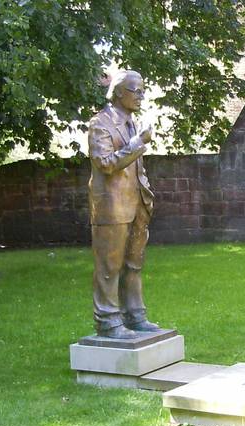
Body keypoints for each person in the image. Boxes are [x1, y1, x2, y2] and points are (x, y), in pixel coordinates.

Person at [88, 70, 159, 338]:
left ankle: (135, 315)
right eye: (135, 90)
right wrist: (138, 143)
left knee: (134, 263)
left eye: (143, 90)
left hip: (138, 202)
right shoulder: (101, 123)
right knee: (109, 265)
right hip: (112, 205)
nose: (141, 95)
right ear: (119, 92)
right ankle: (108, 320)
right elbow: (105, 163)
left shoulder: (133, 122)